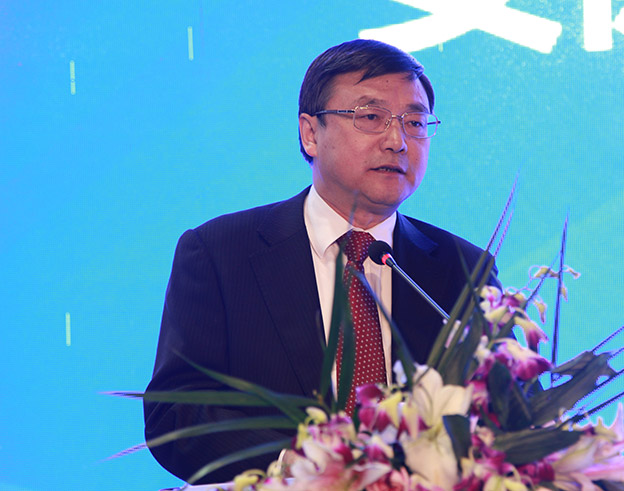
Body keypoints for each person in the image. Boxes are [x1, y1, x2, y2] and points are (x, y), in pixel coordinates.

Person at [144, 39, 497, 484]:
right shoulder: (220, 253)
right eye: (371, 117)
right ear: (310, 133)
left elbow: (507, 412)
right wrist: (312, 467)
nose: (398, 141)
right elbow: (176, 413)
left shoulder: (464, 269)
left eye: (415, 122)